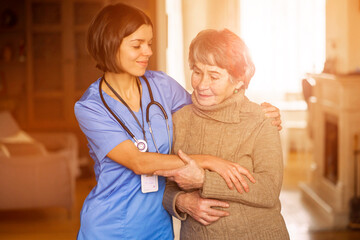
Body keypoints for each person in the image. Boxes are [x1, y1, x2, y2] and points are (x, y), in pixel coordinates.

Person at [74, 3, 282, 239]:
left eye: (149, 44)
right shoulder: (90, 107)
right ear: (110, 45)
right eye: (137, 45)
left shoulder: (161, 85)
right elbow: (139, 162)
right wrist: (210, 162)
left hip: (158, 225)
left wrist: (257, 112)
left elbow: (209, 106)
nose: (148, 52)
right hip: (111, 224)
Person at [160, 29, 290, 239]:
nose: (202, 84)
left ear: (238, 80)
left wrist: (204, 180)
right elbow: (161, 183)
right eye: (197, 72)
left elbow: (269, 190)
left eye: (214, 76)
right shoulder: (178, 120)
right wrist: (181, 202)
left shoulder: (261, 119)